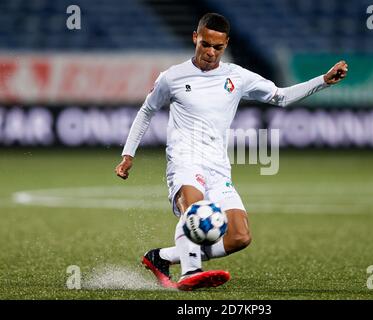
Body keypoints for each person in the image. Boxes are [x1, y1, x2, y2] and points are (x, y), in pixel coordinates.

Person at [115, 13, 348, 291]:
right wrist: (128, 155)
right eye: (205, 44)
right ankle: (189, 273)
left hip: (218, 167)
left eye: (218, 47)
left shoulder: (237, 76)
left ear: (226, 45)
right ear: (195, 38)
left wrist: (323, 80)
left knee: (240, 236)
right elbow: (146, 111)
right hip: (184, 160)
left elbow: (281, 97)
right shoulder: (172, 77)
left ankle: (162, 257)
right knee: (193, 210)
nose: (211, 53)